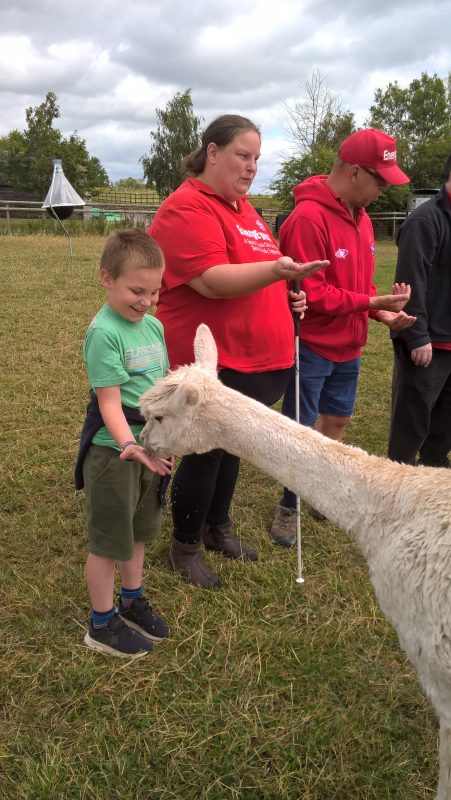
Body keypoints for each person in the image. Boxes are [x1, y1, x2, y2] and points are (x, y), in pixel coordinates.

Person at [148, 113, 328, 588]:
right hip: (213, 359)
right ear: (212, 152)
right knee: (207, 452)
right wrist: (278, 273)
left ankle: (216, 528)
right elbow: (210, 281)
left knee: (231, 449)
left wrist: (290, 296)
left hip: (254, 360)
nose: (251, 168)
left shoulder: (244, 211)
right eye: (242, 156)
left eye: (257, 159)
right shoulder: (187, 207)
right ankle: (185, 545)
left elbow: (261, 269)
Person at [270, 128, 416, 547]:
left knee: (336, 420)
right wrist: (370, 303)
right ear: (355, 172)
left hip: (349, 347)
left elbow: (358, 288)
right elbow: (311, 294)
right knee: (300, 429)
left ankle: (318, 488)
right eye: (381, 180)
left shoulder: (364, 219)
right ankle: (288, 503)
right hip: (312, 345)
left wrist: (381, 312)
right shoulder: (307, 219)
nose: (384, 190)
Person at [75, 229, 173, 658]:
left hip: (150, 447)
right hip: (113, 451)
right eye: (137, 290)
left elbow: (162, 387)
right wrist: (129, 445)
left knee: (137, 531)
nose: (146, 301)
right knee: (108, 541)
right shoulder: (104, 333)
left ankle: (132, 599)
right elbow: (110, 403)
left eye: (154, 291)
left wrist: (167, 438)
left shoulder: (153, 326)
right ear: (106, 279)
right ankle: (101, 623)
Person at [388, 153, 451, 467]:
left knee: (444, 424)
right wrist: (417, 336)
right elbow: (411, 281)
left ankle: (434, 475)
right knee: (411, 421)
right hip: (429, 342)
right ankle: (396, 479)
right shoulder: (426, 220)